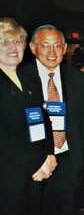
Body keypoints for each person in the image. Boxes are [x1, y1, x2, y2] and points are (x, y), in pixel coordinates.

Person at [20, 24, 84, 214]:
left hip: (68, 161)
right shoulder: (20, 77)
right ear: (33, 48)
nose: (52, 51)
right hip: (35, 162)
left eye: (57, 45)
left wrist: (80, 161)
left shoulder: (77, 78)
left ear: (64, 48)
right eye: (45, 45)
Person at [0, 17, 57, 215]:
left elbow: (45, 120)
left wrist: (50, 155)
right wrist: (38, 162)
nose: (12, 47)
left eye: (17, 41)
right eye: (4, 41)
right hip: (9, 179)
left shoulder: (30, 79)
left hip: (37, 174)